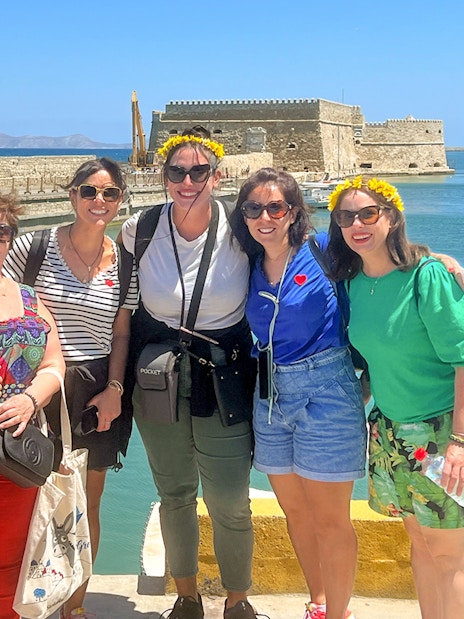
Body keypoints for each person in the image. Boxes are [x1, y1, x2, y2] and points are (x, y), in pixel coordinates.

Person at [120, 127, 262, 619]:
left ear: (216, 176)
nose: (187, 180)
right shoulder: (139, 228)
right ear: (164, 177)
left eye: (198, 171)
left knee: (230, 498)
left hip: (223, 376)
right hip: (159, 379)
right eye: (177, 172)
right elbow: (95, 272)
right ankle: (186, 597)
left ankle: (238, 599)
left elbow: (304, 252)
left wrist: (418, 259)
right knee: (174, 493)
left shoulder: (241, 228)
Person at [3, 159, 138, 619]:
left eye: (110, 193)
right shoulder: (31, 247)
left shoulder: (126, 264)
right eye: (88, 191)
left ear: (122, 199)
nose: (99, 201)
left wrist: (117, 388)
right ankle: (23, 600)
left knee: (85, 501)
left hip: (99, 389)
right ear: (71, 195)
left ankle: (73, 607)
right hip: (37, 387)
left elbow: (121, 332)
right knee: (27, 493)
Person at [230, 168, 367, 619]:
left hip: (326, 390)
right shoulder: (247, 263)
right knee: (297, 513)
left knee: (331, 520)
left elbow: (382, 257)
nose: (264, 217)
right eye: (254, 208)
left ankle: (340, 613)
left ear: (293, 212)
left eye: (276, 207)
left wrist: (435, 261)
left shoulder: (322, 249)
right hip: (270, 395)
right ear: (244, 215)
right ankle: (320, 602)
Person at [326, 175, 464, 619]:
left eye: (369, 213)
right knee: (421, 550)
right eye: (346, 217)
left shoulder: (426, 276)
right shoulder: (352, 285)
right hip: (389, 432)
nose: (357, 224)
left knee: (450, 558)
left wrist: (460, 442)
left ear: (392, 217)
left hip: (441, 433)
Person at [0, 192, 65, 619]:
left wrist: (29, 398)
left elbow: (54, 362)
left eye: (1, 230)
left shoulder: (27, 298)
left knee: (16, 561)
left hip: (16, 453)